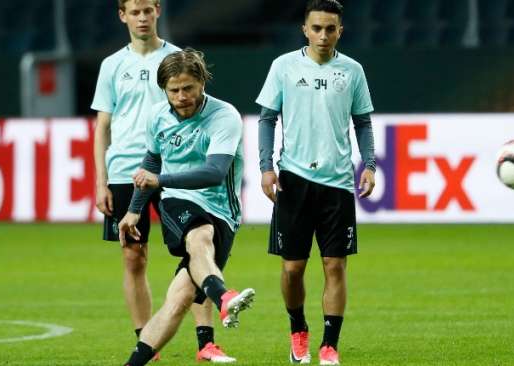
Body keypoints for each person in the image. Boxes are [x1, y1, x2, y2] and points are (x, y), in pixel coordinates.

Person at [92, 0, 235, 362]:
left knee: (195, 246)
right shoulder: (112, 65)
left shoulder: (177, 61)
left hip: (174, 172)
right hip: (130, 171)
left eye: (147, 10)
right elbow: (103, 126)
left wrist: (160, 176)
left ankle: (206, 342)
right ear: (122, 15)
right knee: (134, 258)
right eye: (134, 11)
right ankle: (147, 342)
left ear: (158, 10)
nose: (142, 17)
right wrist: (101, 181)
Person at [255, 0, 376, 364]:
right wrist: (266, 167)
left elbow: (363, 123)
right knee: (292, 269)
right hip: (294, 179)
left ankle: (329, 346)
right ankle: (298, 329)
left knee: (334, 266)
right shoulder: (284, 67)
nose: (323, 35)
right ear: (305, 30)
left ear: (340, 31)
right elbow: (266, 118)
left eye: (330, 29)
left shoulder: (352, 71)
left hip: (337, 183)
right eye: (317, 28)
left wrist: (368, 164)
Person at [118, 48, 255, 366]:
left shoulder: (224, 117)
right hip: (178, 200)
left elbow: (214, 173)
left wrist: (159, 180)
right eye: (174, 90)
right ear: (164, 90)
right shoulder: (157, 116)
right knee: (199, 235)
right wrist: (135, 208)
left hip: (223, 210)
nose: (181, 96)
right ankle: (223, 297)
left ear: (202, 83)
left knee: (178, 300)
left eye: (188, 88)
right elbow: (151, 158)